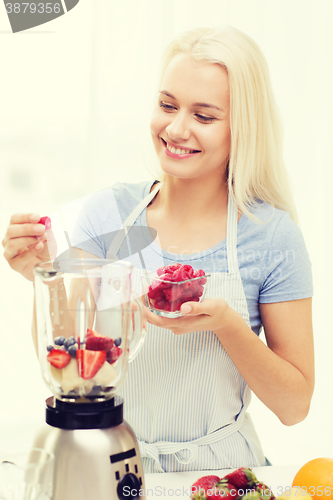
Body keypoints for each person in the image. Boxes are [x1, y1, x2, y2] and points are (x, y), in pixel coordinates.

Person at [2, 26, 314, 473]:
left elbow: (295, 405)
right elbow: (76, 376)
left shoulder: (271, 237)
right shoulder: (108, 215)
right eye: (168, 105)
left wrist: (227, 325)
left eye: (204, 116)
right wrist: (42, 276)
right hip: (112, 464)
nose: (176, 128)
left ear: (242, 127)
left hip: (221, 474)